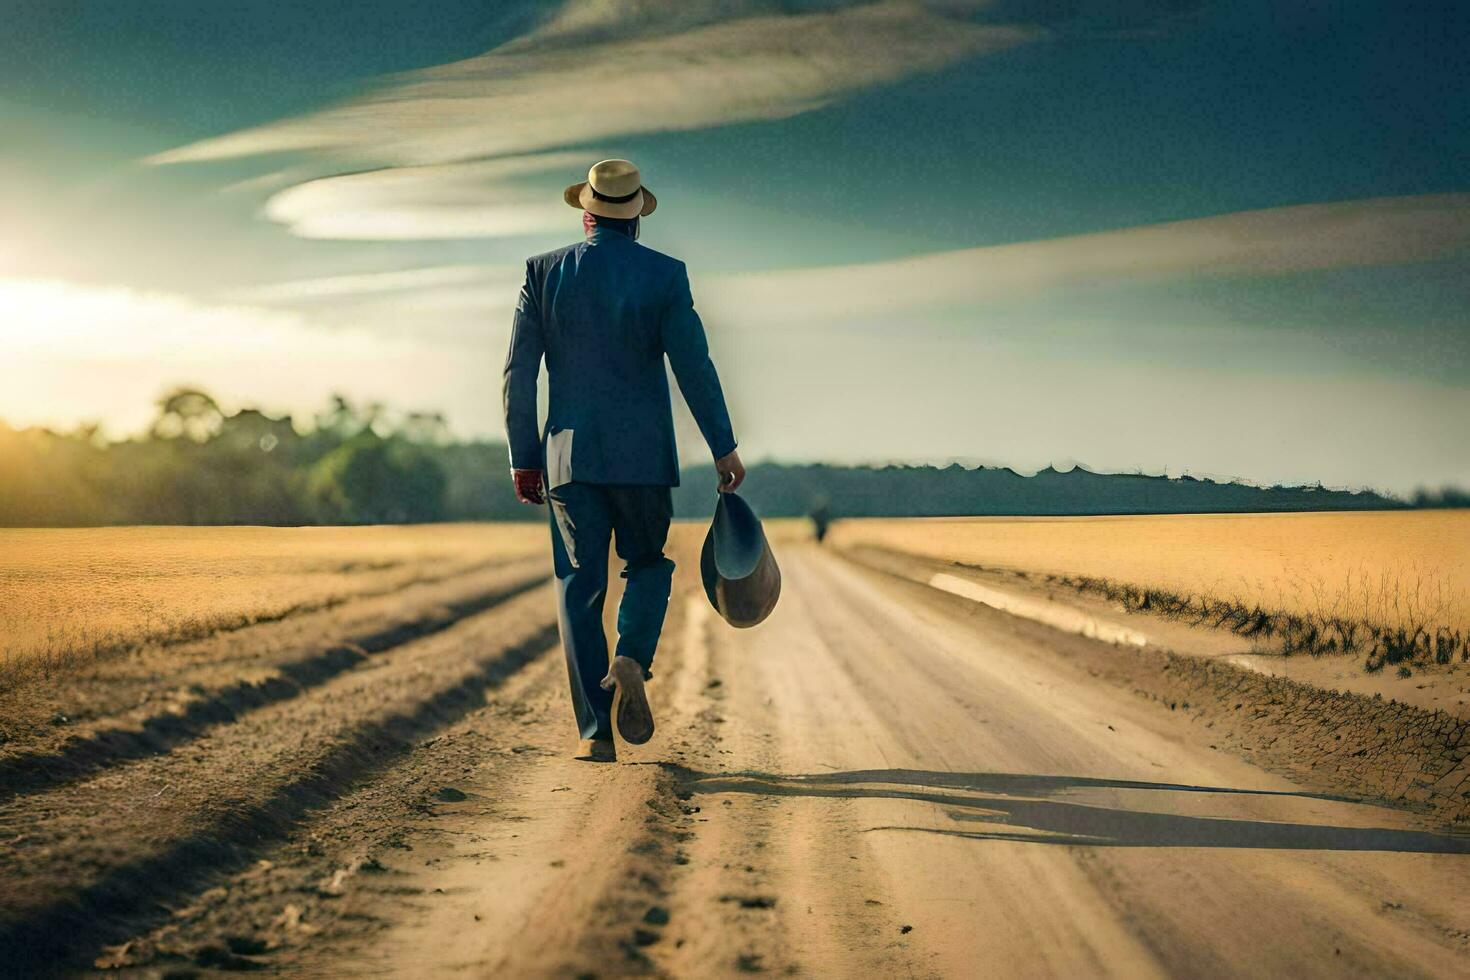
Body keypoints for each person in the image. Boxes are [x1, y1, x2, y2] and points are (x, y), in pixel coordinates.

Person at [503, 159, 744, 763]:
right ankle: (631, 657)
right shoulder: (666, 276)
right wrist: (723, 445)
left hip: (569, 460)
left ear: (586, 214)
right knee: (648, 563)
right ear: (636, 219)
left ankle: (594, 732)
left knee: (579, 585)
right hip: (644, 459)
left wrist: (524, 457)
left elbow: (518, 373)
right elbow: (695, 365)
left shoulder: (543, 273)